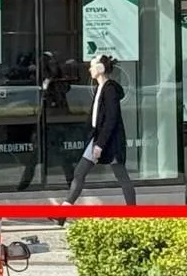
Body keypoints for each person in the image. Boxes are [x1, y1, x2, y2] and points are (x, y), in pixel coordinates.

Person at [54, 55, 136, 218]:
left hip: (109, 141)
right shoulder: (100, 88)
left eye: (92, 66)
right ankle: (62, 214)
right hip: (97, 138)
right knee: (79, 173)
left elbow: (111, 119)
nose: (90, 69)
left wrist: (100, 144)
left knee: (121, 176)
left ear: (100, 68)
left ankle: (133, 215)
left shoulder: (110, 89)